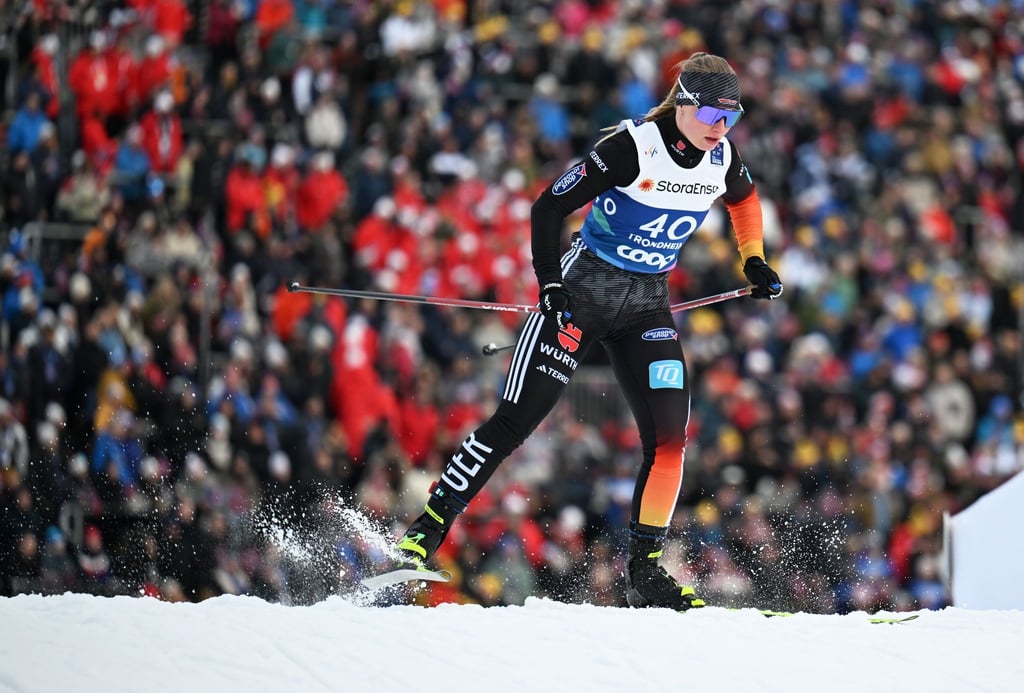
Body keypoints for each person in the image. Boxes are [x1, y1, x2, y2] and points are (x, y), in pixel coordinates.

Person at [393, 53, 783, 610]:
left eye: (733, 119)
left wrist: (753, 261)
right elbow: (547, 209)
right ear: (687, 106)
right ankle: (423, 535)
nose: (722, 131)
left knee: (671, 440)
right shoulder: (632, 148)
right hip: (583, 295)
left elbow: (745, 202)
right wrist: (550, 285)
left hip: (646, 306)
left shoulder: (721, 156)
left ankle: (645, 571)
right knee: (515, 421)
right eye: (715, 116)